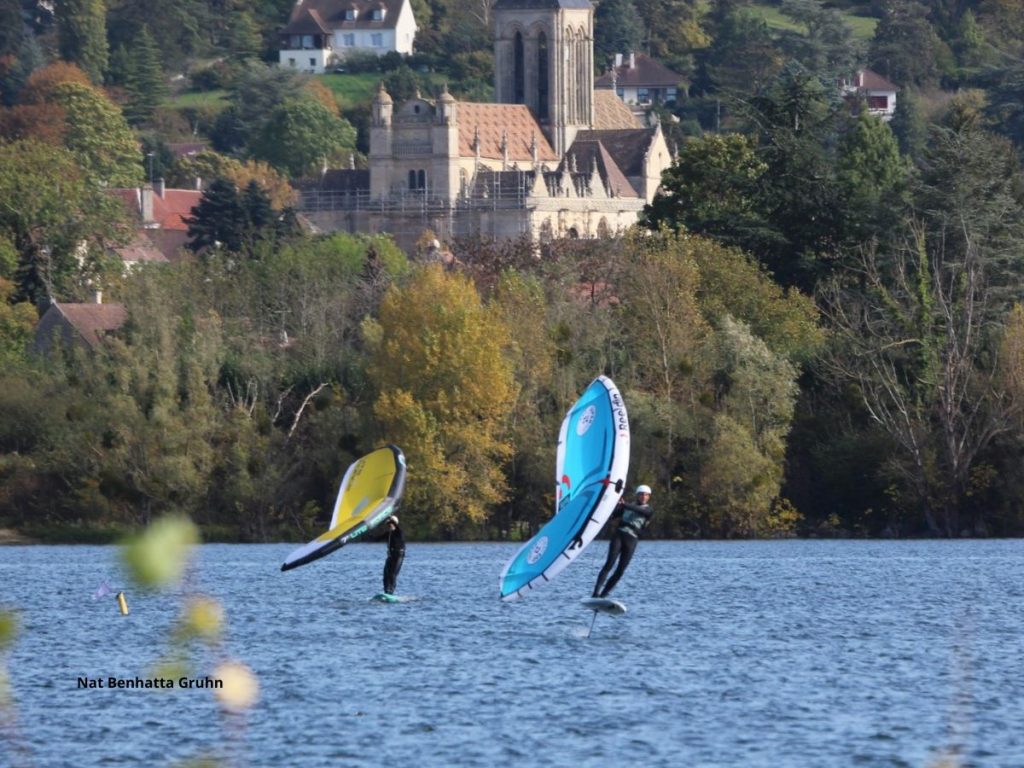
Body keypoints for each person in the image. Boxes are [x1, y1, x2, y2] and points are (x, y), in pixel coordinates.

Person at [592, 484, 653, 598]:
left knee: (620, 570)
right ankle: (595, 593)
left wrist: (625, 505)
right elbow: (613, 516)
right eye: (641, 494)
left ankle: (603, 595)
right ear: (637, 495)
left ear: (649, 497)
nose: (643, 497)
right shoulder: (626, 506)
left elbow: (639, 510)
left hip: (632, 540)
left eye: (646, 495)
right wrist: (615, 505)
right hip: (619, 536)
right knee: (609, 564)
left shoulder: (648, 510)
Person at [382, 515, 405, 595]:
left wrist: (389, 517)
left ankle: (391, 592)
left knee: (392, 574)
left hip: (398, 556)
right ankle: (386, 591)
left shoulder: (399, 532)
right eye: (388, 525)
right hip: (391, 556)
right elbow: (376, 538)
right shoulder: (388, 534)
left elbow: (395, 524)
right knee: (386, 574)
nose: (389, 526)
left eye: (391, 524)